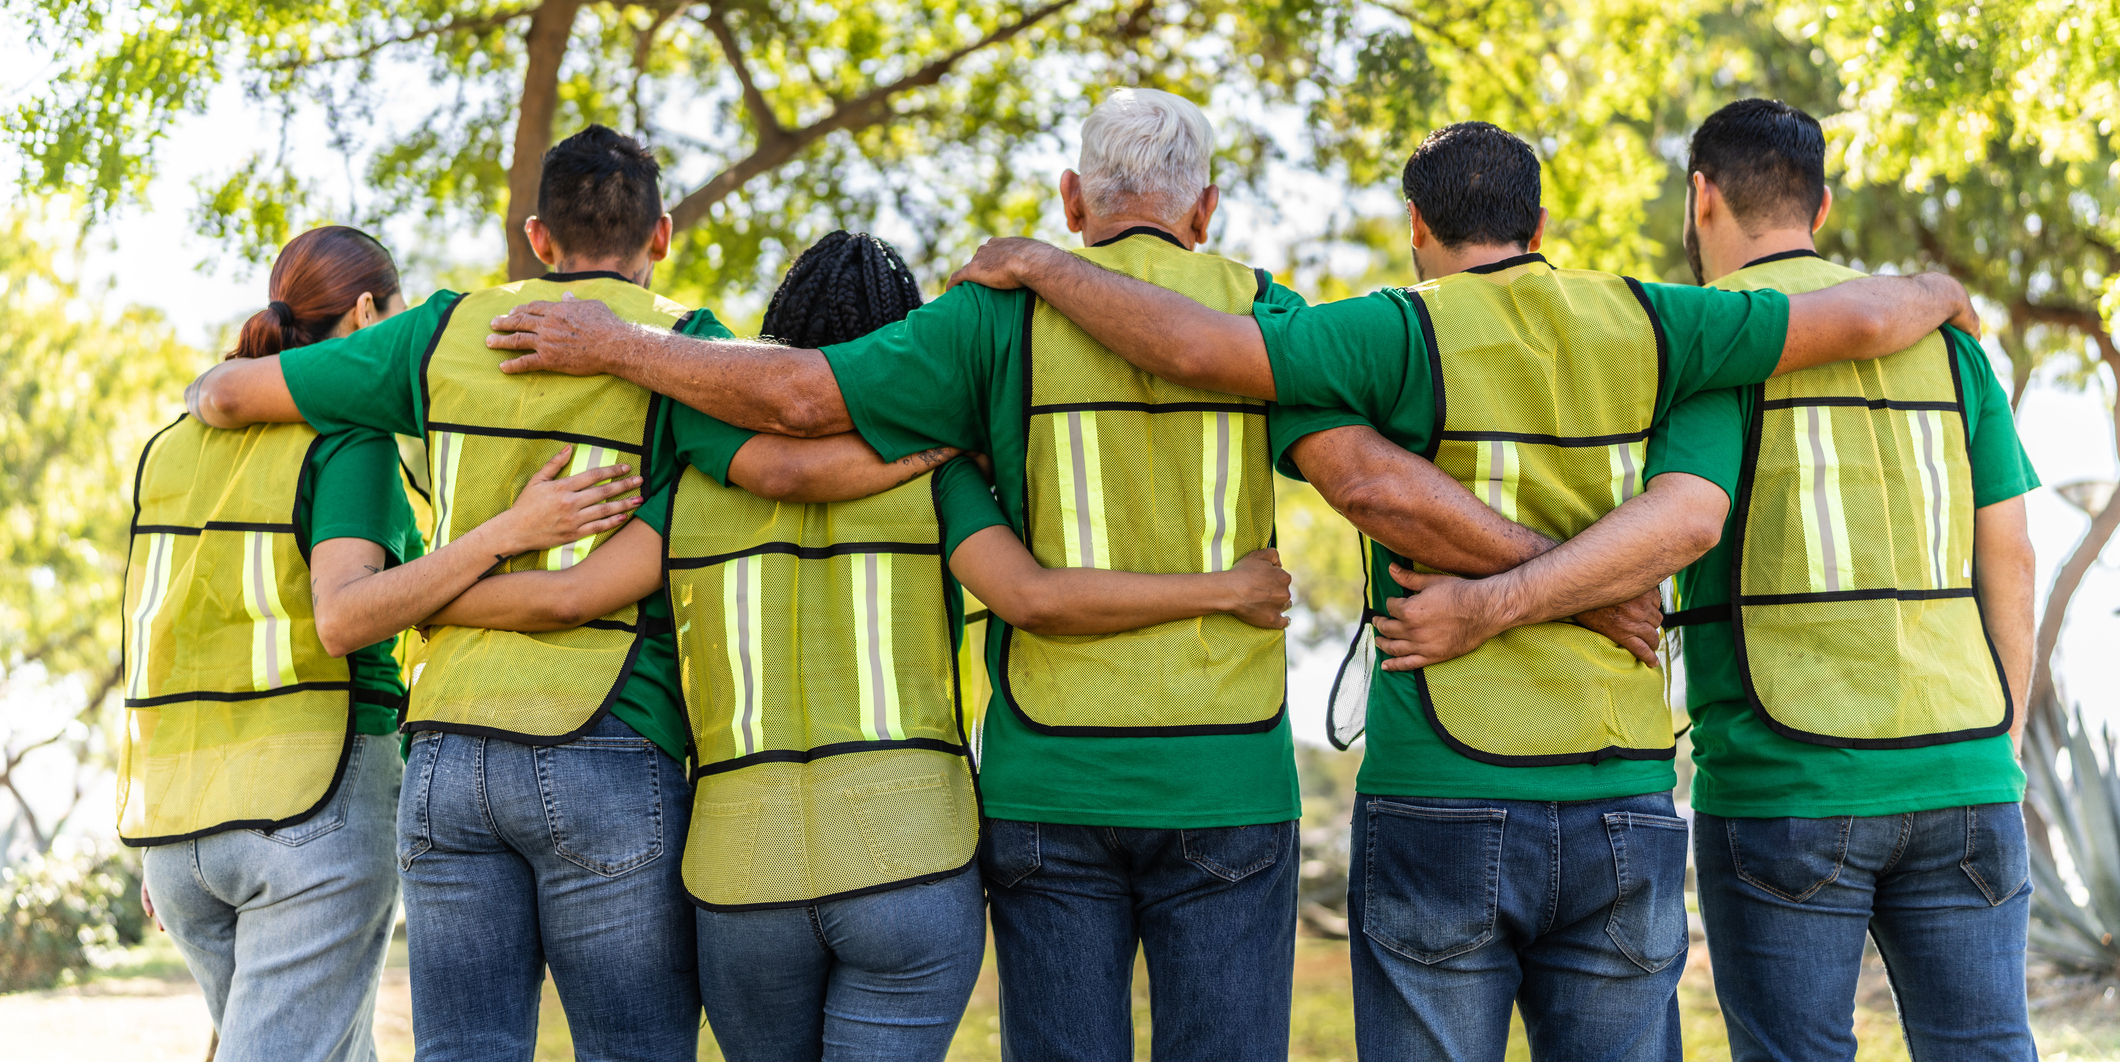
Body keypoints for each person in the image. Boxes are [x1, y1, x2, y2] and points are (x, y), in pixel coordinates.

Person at [482, 92, 1523, 1061]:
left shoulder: (992, 322)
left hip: (1044, 789)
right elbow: (1374, 485)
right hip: (1227, 780)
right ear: (1204, 212)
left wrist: (617, 342)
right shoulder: (1266, 316)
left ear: (1072, 203)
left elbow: (798, 399)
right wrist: (1550, 573)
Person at [942, 119, 1984, 1062]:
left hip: (1439, 778)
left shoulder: (1387, 331)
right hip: (1615, 783)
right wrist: (1935, 292)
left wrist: (1040, 260)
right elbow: (1850, 323)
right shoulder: (1653, 322)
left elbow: (1194, 349)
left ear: (1414, 224)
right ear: (1537, 222)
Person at [428, 230, 1296, 1062]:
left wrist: (431, 595)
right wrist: (1225, 589)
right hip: (909, 862)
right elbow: (1033, 596)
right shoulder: (943, 474)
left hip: (740, 877)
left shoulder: (695, 483)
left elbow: (569, 596)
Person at [184, 127, 716, 1060]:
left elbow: (227, 398)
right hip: (609, 741)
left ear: (538, 237)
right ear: (661, 236)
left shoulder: (440, 331)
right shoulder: (692, 352)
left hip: (448, 760)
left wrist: (416, 596)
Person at [124, 226, 616, 1061]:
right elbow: (345, 617)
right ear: (364, 315)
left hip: (180, 829)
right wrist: (510, 530)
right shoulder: (345, 434)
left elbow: (160, 636)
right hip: (310, 806)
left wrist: (166, 837)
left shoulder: (171, 448)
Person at [1642, 99, 2037, 1061]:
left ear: (1703, 199)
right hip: (1966, 765)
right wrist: (2002, 740)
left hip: (1789, 782)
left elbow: (1676, 527)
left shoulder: (1716, 348)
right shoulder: (1948, 348)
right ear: (1821, 207)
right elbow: (2012, 556)